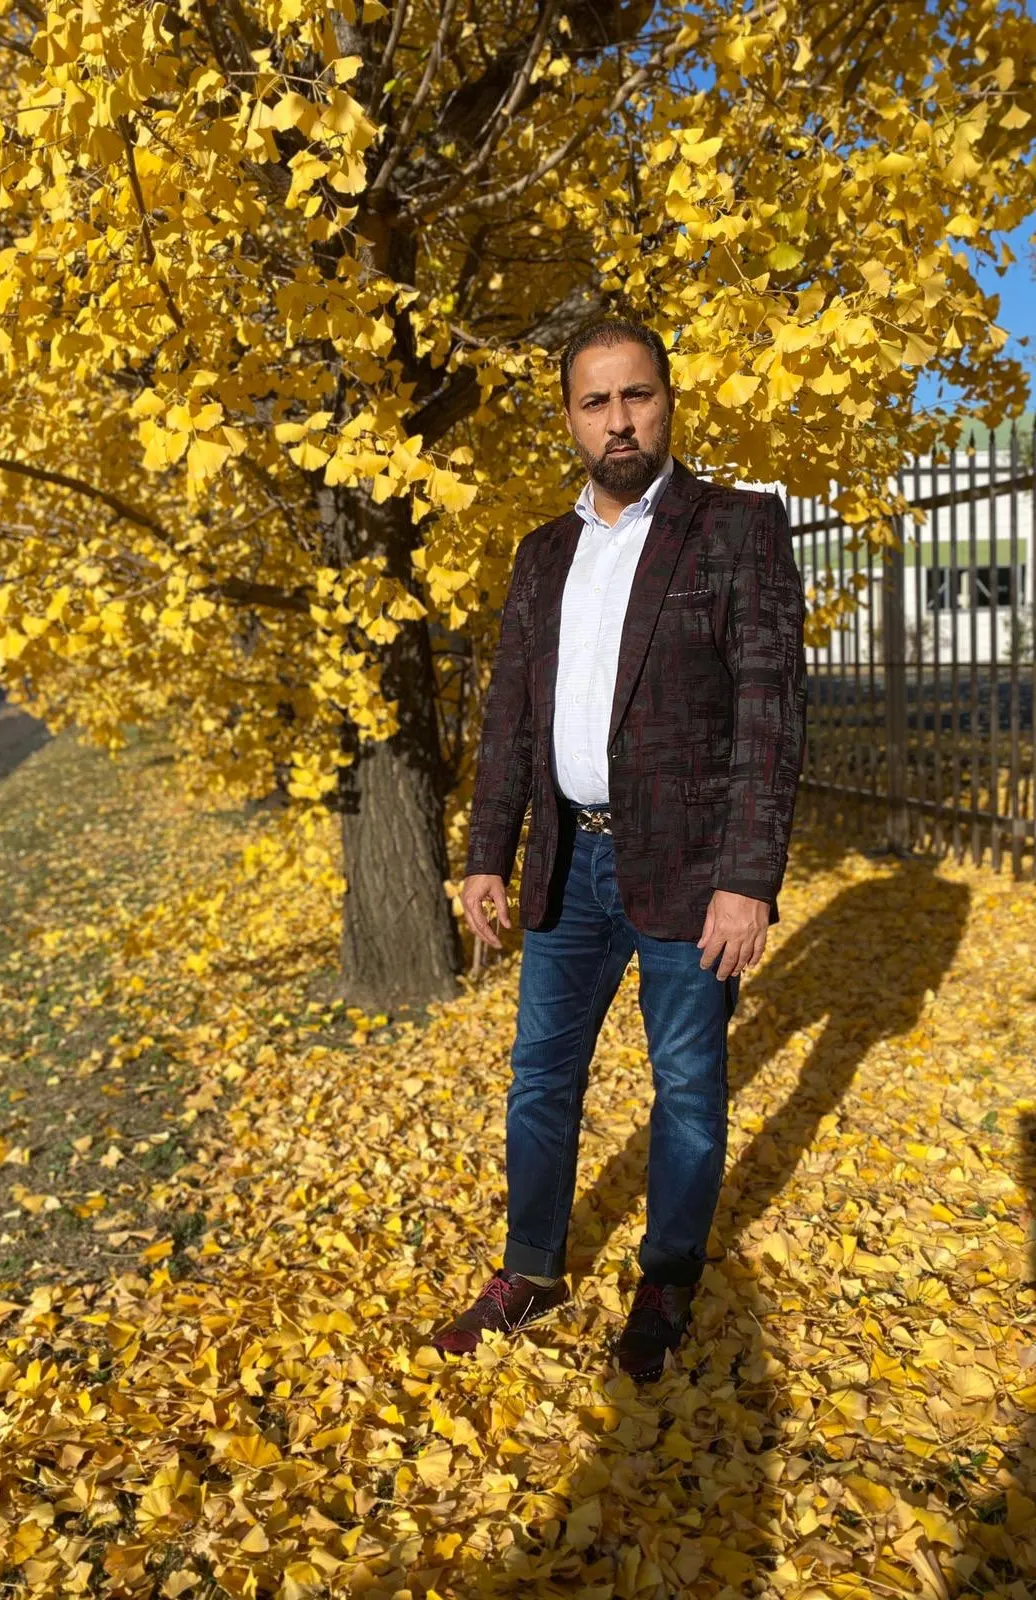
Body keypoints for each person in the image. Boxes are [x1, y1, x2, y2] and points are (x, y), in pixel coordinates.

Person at [433, 316, 807, 1381]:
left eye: (636, 395)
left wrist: (748, 881)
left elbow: (771, 715)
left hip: (692, 871)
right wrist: (486, 852)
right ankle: (530, 1270)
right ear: (570, 419)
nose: (619, 420)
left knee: (686, 1085)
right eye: (595, 402)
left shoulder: (734, 527)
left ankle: (667, 1280)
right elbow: (512, 716)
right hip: (567, 864)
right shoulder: (543, 553)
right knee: (539, 1081)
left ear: (668, 401)